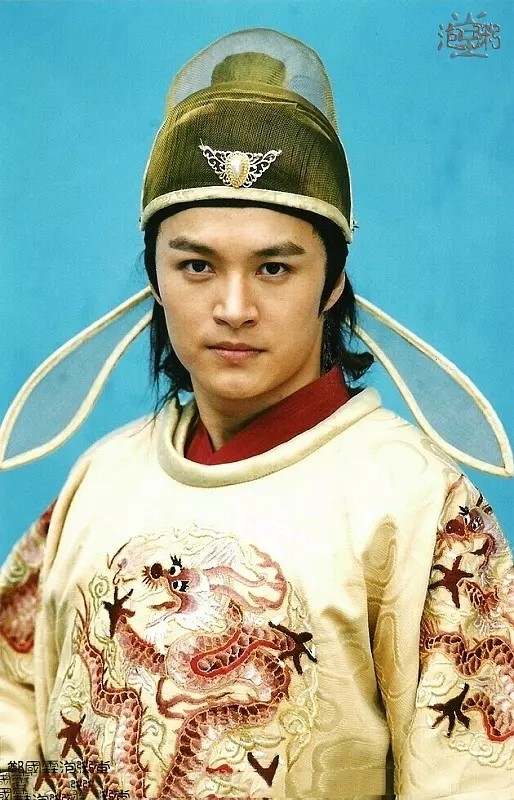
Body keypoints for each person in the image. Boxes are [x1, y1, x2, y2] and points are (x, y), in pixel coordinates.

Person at [1, 28, 513, 800]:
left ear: (332, 281)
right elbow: (13, 703)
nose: (233, 307)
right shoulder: (100, 481)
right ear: (155, 278)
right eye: (196, 265)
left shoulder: (417, 503)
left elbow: (475, 776)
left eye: (274, 267)